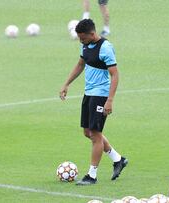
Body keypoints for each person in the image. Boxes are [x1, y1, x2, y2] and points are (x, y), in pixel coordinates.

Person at [60, 19, 128, 185]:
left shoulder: (105, 48)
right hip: (89, 93)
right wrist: (66, 83)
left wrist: (109, 100)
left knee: (95, 135)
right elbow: (80, 64)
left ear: (92, 33)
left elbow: (115, 75)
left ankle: (92, 175)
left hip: (101, 95)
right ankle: (118, 159)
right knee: (87, 132)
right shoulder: (85, 45)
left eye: (83, 38)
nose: (80, 41)